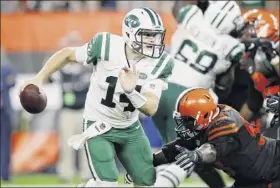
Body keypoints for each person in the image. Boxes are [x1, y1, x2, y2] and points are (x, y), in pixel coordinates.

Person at [20, 7, 174, 187]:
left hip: (130, 127)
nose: (153, 41)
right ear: (130, 34)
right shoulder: (105, 45)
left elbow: (151, 107)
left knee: (147, 181)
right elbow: (68, 54)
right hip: (99, 124)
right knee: (107, 183)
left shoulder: (162, 63)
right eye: (147, 35)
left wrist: (131, 91)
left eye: (155, 35)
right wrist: (39, 78)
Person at [151, 1, 245, 187]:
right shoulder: (233, 46)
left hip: (159, 89)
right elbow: (225, 84)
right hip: (187, 99)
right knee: (188, 156)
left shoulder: (192, 15)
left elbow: (178, 7)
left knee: (173, 151)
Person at [153, 87, 280, 188]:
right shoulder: (203, 125)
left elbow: (212, 150)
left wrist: (197, 155)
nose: (184, 125)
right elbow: (174, 149)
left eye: (187, 120)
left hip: (274, 169)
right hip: (251, 179)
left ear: (205, 115)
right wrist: (150, 160)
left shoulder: (226, 122)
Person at [53, 31, 92, 183]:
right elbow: (50, 78)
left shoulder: (87, 65)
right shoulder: (61, 67)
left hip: (84, 110)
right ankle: (66, 173)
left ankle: (86, 172)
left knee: (86, 145)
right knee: (65, 144)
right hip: (67, 111)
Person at [1, 63, 16, 182]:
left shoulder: (6, 68)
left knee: (5, 145)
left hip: (4, 112)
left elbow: (12, 82)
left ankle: (5, 174)